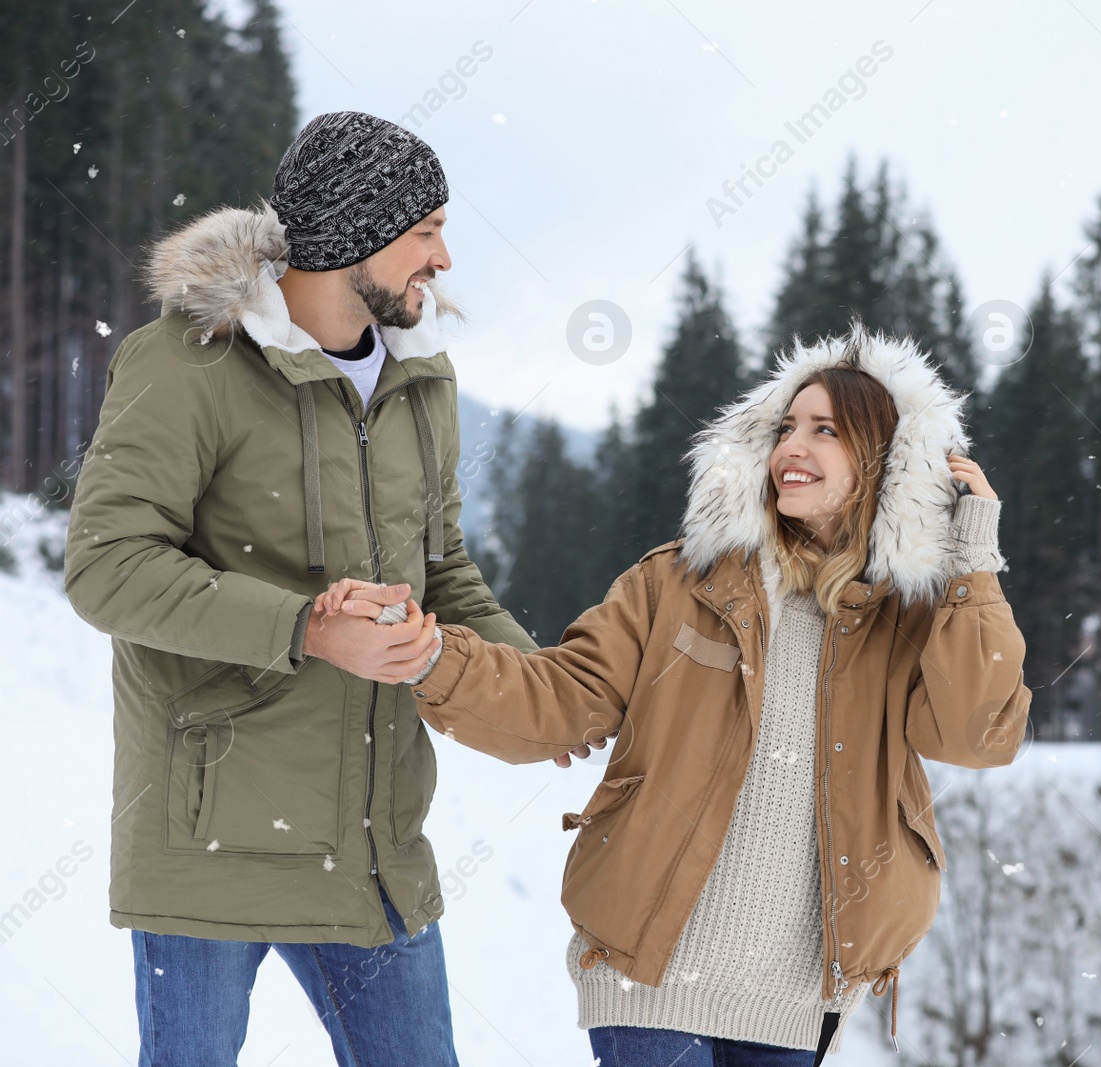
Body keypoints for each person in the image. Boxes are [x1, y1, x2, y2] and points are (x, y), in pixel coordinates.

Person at [317, 320, 1033, 1065]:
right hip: (648, 970)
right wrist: (432, 655)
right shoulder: (680, 581)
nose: (793, 446)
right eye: (786, 426)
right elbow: (561, 698)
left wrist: (971, 558)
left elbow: (976, 734)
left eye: (825, 430)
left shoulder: (912, 619)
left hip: (795, 994)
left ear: (890, 462)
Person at [63, 110, 587, 1067]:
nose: (445, 257)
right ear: (353, 234)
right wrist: (305, 626)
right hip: (212, 840)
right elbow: (108, 565)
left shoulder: (423, 378)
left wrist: (539, 688)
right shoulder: (187, 364)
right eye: (424, 230)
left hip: (373, 849)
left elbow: (445, 572)